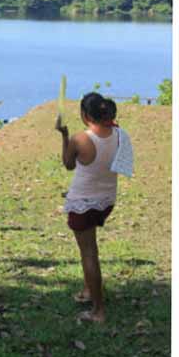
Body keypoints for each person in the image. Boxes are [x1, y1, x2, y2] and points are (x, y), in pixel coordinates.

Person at [56, 92, 127, 323]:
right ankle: (89, 291)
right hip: (106, 201)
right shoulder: (118, 134)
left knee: (89, 253)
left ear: (85, 115)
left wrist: (64, 136)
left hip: (83, 203)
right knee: (89, 250)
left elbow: (68, 164)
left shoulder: (80, 139)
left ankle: (98, 311)